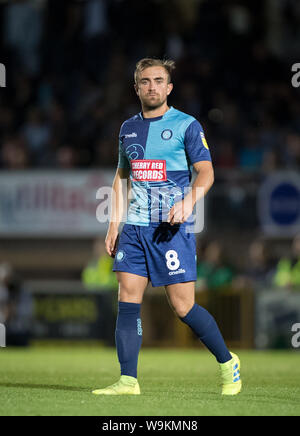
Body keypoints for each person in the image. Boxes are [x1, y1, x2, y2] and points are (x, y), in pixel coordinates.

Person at [92, 58, 241, 396]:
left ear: (169, 87)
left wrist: (188, 202)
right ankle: (128, 380)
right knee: (128, 298)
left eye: (159, 81)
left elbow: (207, 173)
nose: (152, 87)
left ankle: (227, 362)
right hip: (134, 227)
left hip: (171, 229)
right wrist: (113, 223)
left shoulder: (187, 125)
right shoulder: (128, 128)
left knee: (183, 307)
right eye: (145, 81)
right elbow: (121, 177)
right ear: (137, 88)